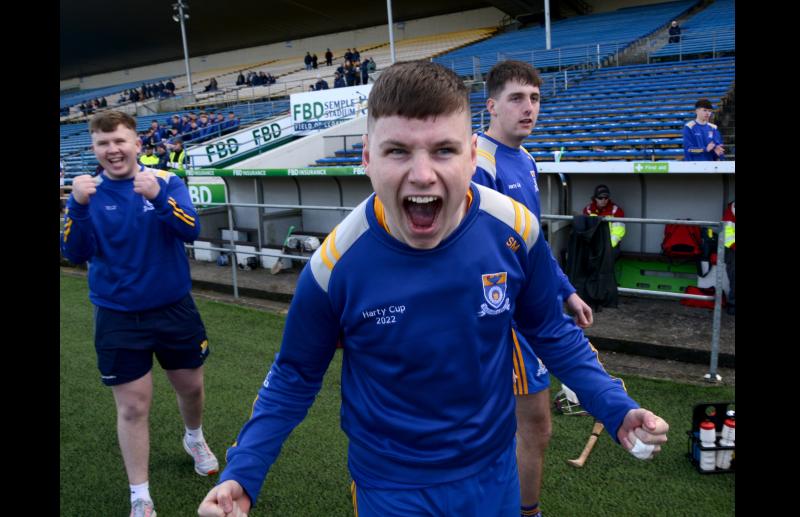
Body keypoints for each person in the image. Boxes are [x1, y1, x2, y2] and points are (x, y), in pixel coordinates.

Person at [197, 60, 669, 517]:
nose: (422, 174)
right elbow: (294, 375)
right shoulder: (334, 266)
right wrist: (244, 472)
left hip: (494, 473)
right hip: (391, 488)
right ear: (366, 157)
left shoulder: (514, 229)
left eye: (443, 150)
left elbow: (550, 330)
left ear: (471, 154)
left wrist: (614, 406)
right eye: (398, 150)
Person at [60, 111, 218, 517]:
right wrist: (76, 207)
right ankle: (140, 496)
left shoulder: (166, 181)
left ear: (137, 144)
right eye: (103, 143)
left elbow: (191, 230)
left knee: (191, 389)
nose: (113, 150)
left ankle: (194, 437)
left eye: (120, 141)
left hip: (174, 309)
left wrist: (157, 198)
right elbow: (73, 253)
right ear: (93, 148)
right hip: (117, 316)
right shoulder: (86, 194)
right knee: (132, 407)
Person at [472, 59, 593, 517]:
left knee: (523, 426)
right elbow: (480, 254)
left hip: (528, 309)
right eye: (517, 98)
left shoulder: (525, 159)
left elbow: (532, 241)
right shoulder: (478, 163)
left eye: (535, 98)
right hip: (503, 316)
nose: (529, 108)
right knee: (534, 427)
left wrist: (564, 290)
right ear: (492, 105)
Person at [583, 184, 626, 260]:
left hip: (610, 245)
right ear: (595, 198)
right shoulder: (588, 210)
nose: (603, 200)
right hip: (592, 244)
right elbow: (585, 230)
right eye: (600, 198)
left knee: (608, 259)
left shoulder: (616, 211)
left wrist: (608, 246)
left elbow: (618, 232)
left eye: (606, 198)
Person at [722, 200, 735, 315]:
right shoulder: (731, 209)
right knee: (734, 277)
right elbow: (727, 233)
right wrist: (733, 245)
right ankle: (733, 304)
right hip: (733, 249)